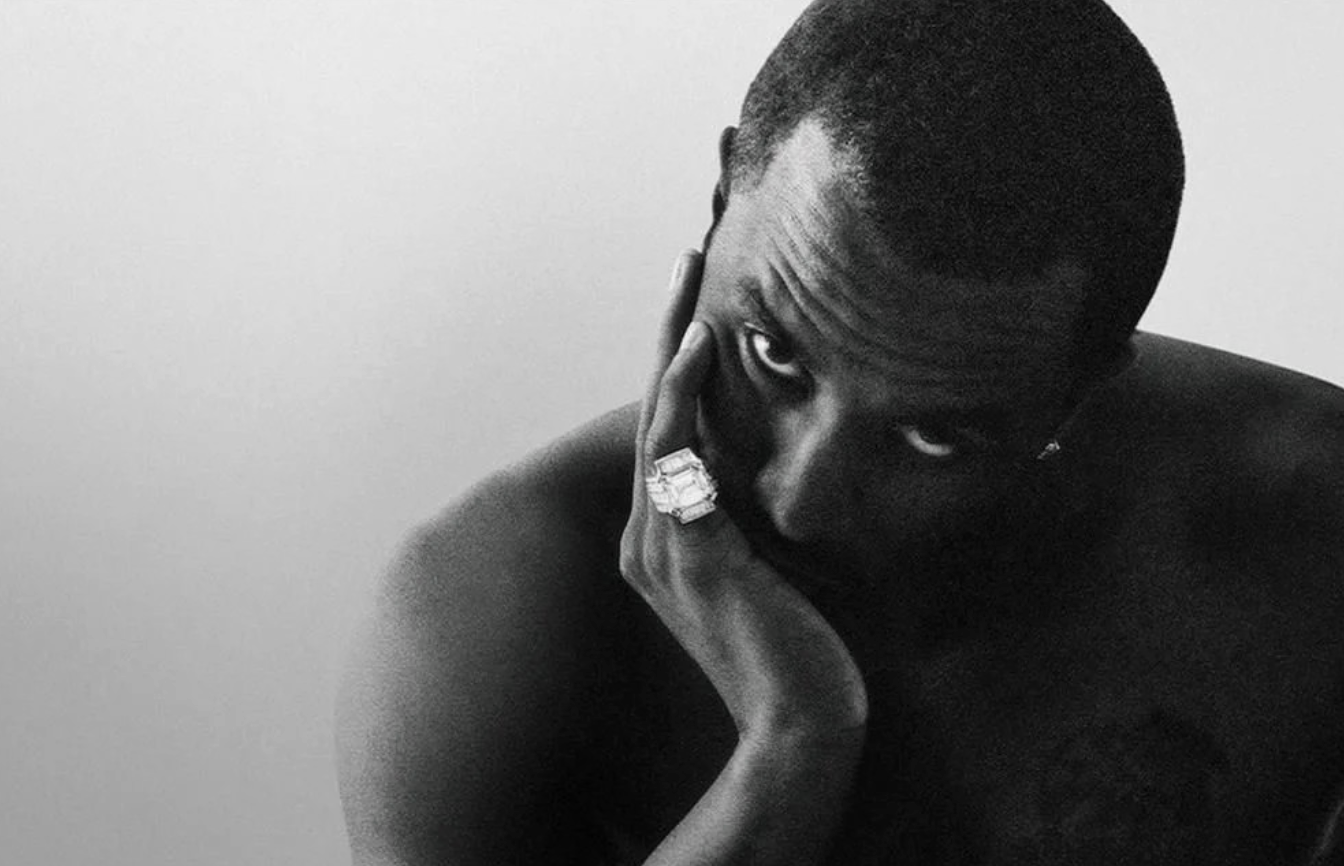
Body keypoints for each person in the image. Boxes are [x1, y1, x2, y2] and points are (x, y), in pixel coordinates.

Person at [335, 0, 1344, 863]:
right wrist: (794, 743)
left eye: (935, 437)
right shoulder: (497, 614)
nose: (798, 500)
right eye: (773, 353)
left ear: (1075, 395)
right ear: (723, 199)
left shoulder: (1308, 543)